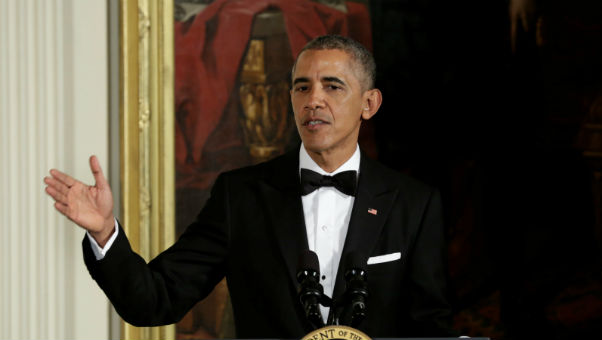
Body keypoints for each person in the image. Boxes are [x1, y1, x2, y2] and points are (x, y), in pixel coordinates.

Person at [44, 35, 452, 338]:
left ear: (369, 103)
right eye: (301, 87)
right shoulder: (239, 196)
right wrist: (104, 233)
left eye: (332, 86)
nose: (314, 100)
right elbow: (154, 299)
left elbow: (430, 329)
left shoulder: (413, 204)